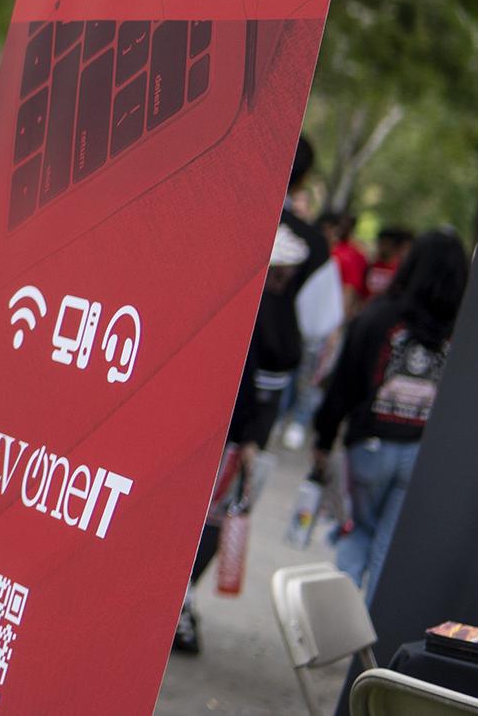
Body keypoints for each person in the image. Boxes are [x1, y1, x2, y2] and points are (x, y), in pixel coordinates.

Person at [172, 136, 328, 656]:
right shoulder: (314, 243)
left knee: (173, 483)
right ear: (304, 179)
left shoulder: (222, 204)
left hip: (200, 365)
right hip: (262, 394)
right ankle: (180, 602)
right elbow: (320, 322)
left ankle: (150, 593)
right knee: (222, 500)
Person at [312, 230, 468, 597]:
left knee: (357, 533)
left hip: (369, 446)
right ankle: (367, 649)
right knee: (387, 548)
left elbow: (343, 385)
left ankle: (340, 632)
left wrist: (323, 437)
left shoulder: (379, 315)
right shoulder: (460, 330)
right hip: (420, 452)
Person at [366, 225, 413, 302]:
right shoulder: (371, 266)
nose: (381, 246)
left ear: (394, 245)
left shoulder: (402, 269)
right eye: (380, 242)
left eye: (385, 243)